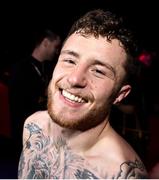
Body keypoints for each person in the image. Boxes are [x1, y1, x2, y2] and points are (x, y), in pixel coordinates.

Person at [18, 9, 148, 179]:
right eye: (70, 60)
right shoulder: (33, 126)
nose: (74, 79)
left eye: (98, 71)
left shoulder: (122, 174)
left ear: (120, 95)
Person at [9, 29, 61, 159]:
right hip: (25, 136)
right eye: (56, 46)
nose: (57, 51)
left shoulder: (46, 68)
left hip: (41, 134)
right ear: (45, 43)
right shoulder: (21, 69)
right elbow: (18, 108)